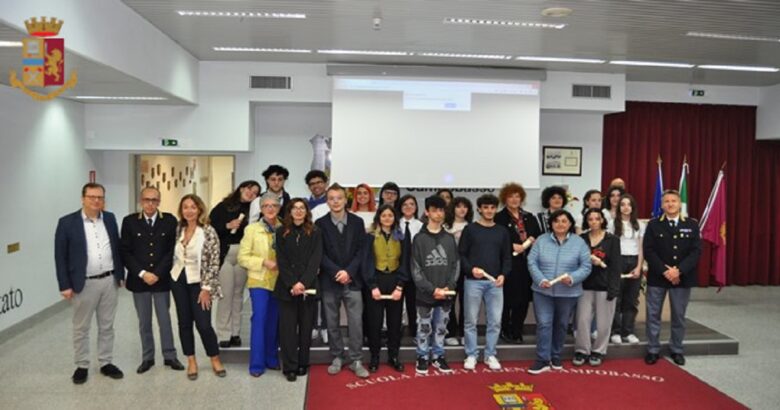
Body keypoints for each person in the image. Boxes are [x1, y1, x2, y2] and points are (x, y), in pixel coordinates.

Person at [55, 183, 125, 384]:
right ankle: (82, 365)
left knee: (107, 325)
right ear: (82, 198)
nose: (96, 201)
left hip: (109, 281)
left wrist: (120, 274)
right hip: (83, 283)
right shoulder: (67, 223)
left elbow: (116, 247)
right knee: (81, 327)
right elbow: (60, 257)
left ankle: (105, 362)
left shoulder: (110, 219)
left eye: (100, 197)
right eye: (92, 196)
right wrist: (64, 285)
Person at [120, 187, 184, 374]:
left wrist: (157, 273)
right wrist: (142, 273)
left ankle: (170, 355)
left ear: (159, 201)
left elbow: (171, 251)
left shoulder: (169, 221)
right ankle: (147, 357)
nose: (150, 203)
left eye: (154, 200)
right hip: (139, 281)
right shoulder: (130, 221)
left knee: (165, 320)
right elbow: (125, 251)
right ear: (141, 201)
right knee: (144, 322)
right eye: (147, 200)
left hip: (162, 279)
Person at [527, 210, 592, 375]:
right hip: (542, 292)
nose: (560, 224)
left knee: (562, 325)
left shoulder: (579, 242)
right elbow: (532, 262)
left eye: (564, 221)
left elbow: (586, 266)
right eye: (557, 221)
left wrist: (572, 278)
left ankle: (556, 356)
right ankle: (542, 359)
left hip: (568, 293)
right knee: (544, 324)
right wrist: (540, 280)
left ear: (570, 224)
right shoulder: (541, 240)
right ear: (551, 223)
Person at [316, 184, 370, 378]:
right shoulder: (320, 224)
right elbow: (319, 253)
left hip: (353, 280)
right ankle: (337, 356)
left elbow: (361, 251)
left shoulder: (356, 222)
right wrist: (336, 271)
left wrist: (348, 272)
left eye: (339, 198)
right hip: (329, 281)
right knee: (332, 321)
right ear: (327, 201)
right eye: (331, 198)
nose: (336, 201)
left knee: (356, 322)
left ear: (345, 200)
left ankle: (356, 359)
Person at [170, 194, 225, 380]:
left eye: (193, 207)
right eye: (185, 207)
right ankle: (191, 360)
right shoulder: (179, 228)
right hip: (178, 280)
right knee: (184, 323)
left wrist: (206, 288)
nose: (189, 210)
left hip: (200, 283)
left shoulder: (208, 231)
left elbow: (214, 261)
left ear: (199, 209)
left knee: (203, 324)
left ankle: (214, 358)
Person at [643, 190, 701, 367]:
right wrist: (665, 271)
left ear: (679, 204)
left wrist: (679, 271)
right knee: (653, 315)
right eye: (666, 201)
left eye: (673, 201)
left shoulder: (691, 224)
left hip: (682, 278)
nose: (670, 204)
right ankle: (653, 349)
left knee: (679, 316)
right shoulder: (653, 225)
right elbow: (649, 250)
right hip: (657, 277)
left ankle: (676, 349)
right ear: (662, 205)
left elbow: (696, 251)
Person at [460, 194, 512, 371]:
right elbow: (462, 255)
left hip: (495, 283)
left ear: (495, 209)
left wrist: (504, 275)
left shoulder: (502, 231)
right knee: (470, 321)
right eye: (485, 207)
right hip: (473, 282)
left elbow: (506, 257)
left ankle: (490, 354)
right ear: (479, 209)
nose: (489, 211)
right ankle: (471, 354)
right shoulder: (470, 229)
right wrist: (470, 269)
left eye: (492, 207)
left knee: (495, 321)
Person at [274, 199, 323, 382]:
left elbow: (315, 259)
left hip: (308, 287)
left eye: (302, 208)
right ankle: (290, 366)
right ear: (289, 212)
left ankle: (303, 362)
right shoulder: (281, 232)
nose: (299, 211)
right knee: (287, 330)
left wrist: (303, 282)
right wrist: (293, 284)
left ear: (306, 212)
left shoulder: (316, 232)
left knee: (305, 328)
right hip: (287, 288)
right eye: (295, 208)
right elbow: (281, 260)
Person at [209, 180, 261, 348]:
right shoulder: (223, 206)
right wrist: (227, 225)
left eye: (255, 193)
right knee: (226, 294)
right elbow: (210, 229)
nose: (250, 193)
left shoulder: (253, 211)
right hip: (225, 253)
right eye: (248, 189)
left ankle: (235, 332)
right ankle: (223, 333)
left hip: (243, 254)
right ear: (241, 188)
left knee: (238, 294)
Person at [411, 196, 459, 375]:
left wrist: (448, 287)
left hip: (446, 293)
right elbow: (415, 269)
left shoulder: (449, 238)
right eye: (434, 210)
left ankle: (438, 356)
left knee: (441, 327)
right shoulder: (419, 239)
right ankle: (422, 356)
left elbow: (456, 264)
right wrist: (432, 289)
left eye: (441, 210)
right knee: (424, 327)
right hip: (425, 294)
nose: (439, 214)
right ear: (427, 212)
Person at [238, 193, 282, 377]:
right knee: (259, 320)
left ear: (279, 208)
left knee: (274, 321)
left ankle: (271, 358)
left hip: (280, 281)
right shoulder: (252, 229)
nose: (270, 209)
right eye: (266, 206)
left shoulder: (284, 227)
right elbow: (242, 257)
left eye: (274, 205)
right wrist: (263, 262)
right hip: (259, 280)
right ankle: (256, 364)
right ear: (261, 209)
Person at [573, 209, 621, 367]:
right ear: (586, 221)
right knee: (582, 320)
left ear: (602, 221)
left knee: (603, 323)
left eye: (597, 219)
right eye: (590, 219)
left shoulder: (612, 240)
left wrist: (614, 288)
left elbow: (615, 266)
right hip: (584, 285)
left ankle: (598, 351)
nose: (593, 221)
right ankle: (581, 350)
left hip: (605, 286)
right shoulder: (580, 239)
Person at [494, 183, 541, 344]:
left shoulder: (529, 216)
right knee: (507, 299)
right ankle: (505, 329)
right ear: (504, 199)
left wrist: (530, 242)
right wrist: (510, 246)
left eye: (517, 196)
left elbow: (537, 235)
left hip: (527, 264)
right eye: (510, 196)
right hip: (509, 264)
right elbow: (495, 240)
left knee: (523, 299)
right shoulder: (499, 218)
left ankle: (517, 330)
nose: (514, 200)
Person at [365, 205, 408, 373]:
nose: (387, 218)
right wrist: (372, 286)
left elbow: (406, 260)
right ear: (379, 217)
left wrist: (400, 286)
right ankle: (374, 357)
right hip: (376, 279)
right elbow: (366, 261)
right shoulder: (370, 236)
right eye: (384, 215)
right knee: (374, 322)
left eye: (391, 215)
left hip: (395, 280)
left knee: (394, 322)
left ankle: (393, 356)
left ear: (395, 218)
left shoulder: (402, 235)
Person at [610, 193, 646, 345]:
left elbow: (641, 248)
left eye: (628, 204)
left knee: (631, 299)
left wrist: (639, 267)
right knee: (616, 299)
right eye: (622, 204)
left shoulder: (639, 224)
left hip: (634, 261)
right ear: (619, 207)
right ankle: (616, 331)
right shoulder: (612, 223)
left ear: (632, 207)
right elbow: (610, 247)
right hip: (618, 261)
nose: (626, 207)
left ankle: (628, 331)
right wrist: (614, 267)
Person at [444, 197, 474, 346]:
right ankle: (449, 332)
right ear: (453, 208)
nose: (462, 209)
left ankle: (463, 333)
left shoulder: (473, 226)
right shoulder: (445, 226)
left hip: (467, 268)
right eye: (458, 206)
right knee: (448, 301)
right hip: (448, 269)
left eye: (465, 207)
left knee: (466, 302)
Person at [304, 169, 330, 343]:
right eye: (312, 184)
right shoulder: (304, 205)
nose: (316, 186)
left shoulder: (333, 202)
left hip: (329, 255)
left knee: (327, 292)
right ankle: (313, 325)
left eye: (319, 182)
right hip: (310, 254)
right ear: (309, 187)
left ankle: (326, 326)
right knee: (312, 291)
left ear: (325, 184)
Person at [397, 194, 423, 336]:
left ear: (416, 207)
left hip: (415, 271)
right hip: (397, 270)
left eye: (411, 204)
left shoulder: (421, 226)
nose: (408, 207)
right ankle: (396, 331)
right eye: (405, 204)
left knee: (413, 304)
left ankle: (414, 332)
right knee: (397, 306)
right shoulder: (395, 224)